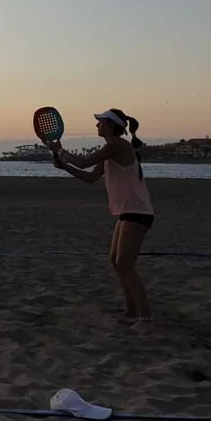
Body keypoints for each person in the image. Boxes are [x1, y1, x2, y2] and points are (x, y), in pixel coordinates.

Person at [47, 108, 155, 327]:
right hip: (129, 212)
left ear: (111, 125)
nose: (97, 126)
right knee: (116, 262)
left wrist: (61, 150)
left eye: (100, 122)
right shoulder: (111, 150)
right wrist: (64, 165)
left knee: (124, 264)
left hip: (137, 212)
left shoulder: (116, 145)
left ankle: (144, 317)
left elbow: (84, 161)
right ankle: (132, 312)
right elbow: (90, 177)